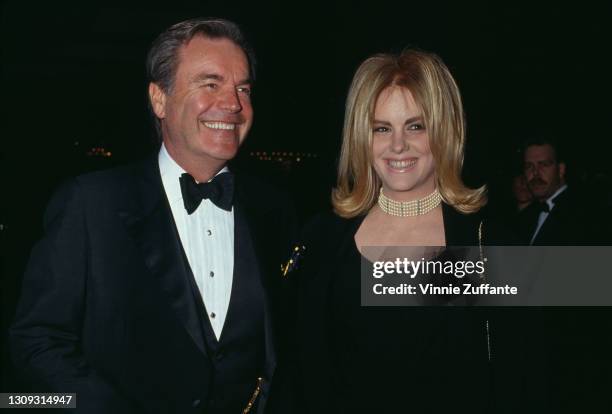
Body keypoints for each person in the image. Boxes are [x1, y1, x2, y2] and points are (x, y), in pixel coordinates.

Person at [10, 18, 296, 414]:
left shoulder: (275, 210)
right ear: (159, 99)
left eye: (242, 88)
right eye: (210, 83)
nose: (233, 103)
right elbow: (36, 341)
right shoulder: (91, 204)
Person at [290, 49, 502, 413]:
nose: (398, 145)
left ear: (445, 132)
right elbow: (300, 374)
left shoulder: (487, 244)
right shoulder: (322, 239)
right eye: (381, 128)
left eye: (416, 126)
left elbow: (527, 376)